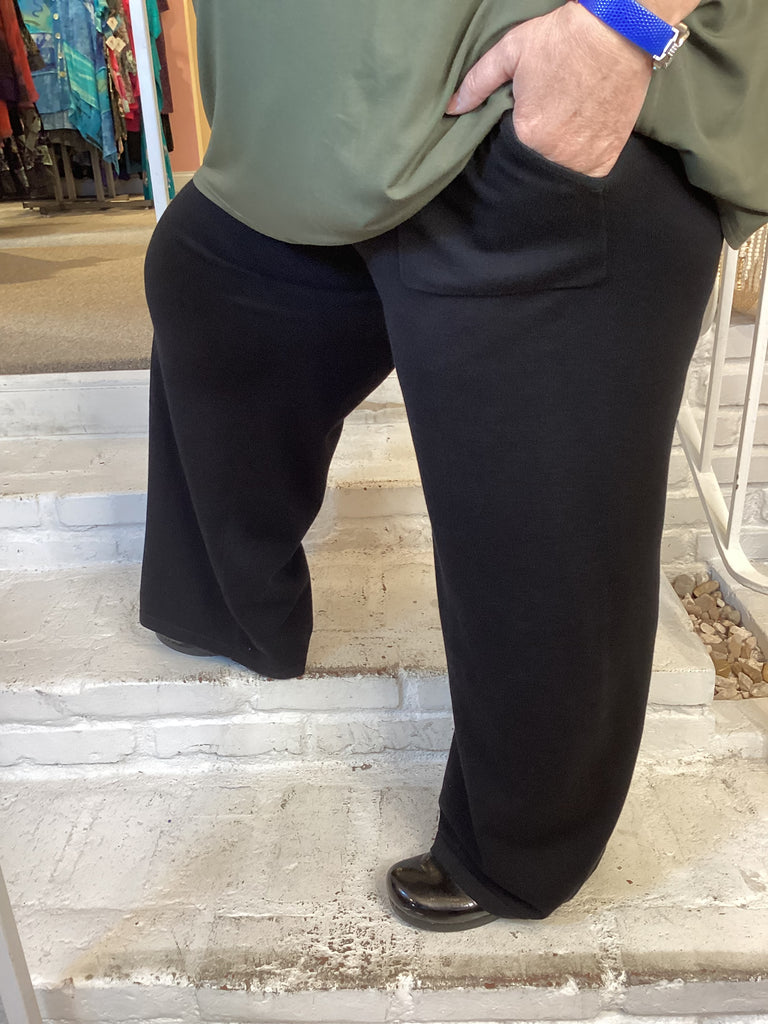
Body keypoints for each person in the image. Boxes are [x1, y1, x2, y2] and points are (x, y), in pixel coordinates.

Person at [139, 0, 768, 931]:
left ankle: (519, 847)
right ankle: (229, 608)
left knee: (541, 525)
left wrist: (620, 27)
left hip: (526, 121)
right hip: (299, 140)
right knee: (200, 279)